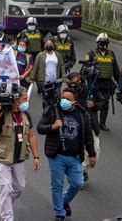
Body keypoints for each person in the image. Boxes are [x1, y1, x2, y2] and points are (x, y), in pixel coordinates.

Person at [37, 88, 96, 220]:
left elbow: (88, 137)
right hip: (57, 156)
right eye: (63, 98)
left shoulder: (82, 114)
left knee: (77, 183)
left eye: (68, 99)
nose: (64, 101)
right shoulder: (53, 111)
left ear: (74, 102)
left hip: (75, 157)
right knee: (57, 185)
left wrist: (92, 154)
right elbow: (40, 127)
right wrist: (52, 127)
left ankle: (64, 201)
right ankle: (60, 212)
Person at [0, 86, 40, 221]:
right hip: (3, 158)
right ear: (16, 100)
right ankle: (7, 217)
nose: (26, 102)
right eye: (24, 99)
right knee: (5, 188)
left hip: (19, 158)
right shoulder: (3, 113)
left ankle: (5, 205)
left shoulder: (26, 115)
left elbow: (31, 136)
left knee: (19, 187)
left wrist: (36, 157)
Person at [65, 72, 103, 184]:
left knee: (95, 150)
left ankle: (81, 170)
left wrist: (94, 105)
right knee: (76, 151)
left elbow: (103, 102)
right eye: (73, 83)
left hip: (90, 125)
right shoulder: (68, 93)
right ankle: (78, 175)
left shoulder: (90, 89)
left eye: (78, 81)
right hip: (75, 125)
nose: (77, 85)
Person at [83, 33, 120, 132]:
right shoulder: (91, 54)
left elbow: (116, 70)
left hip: (107, 83)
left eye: (106, 43)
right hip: (94, 82)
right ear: (98, 43)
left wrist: (120, 83)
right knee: (92, 103)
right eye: (102, 42)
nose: (104, 45)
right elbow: (84, 69)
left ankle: (102, 123)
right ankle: (91, 122)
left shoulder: (111, 54)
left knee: (105, 103)